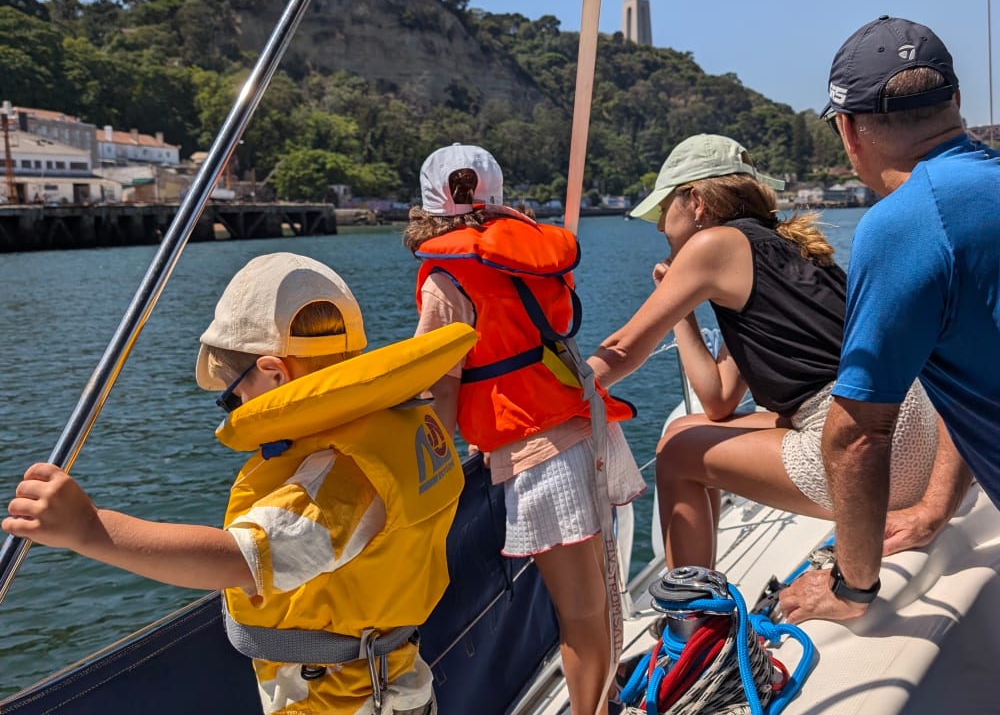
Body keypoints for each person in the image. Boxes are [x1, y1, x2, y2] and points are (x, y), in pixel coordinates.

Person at [2, 252, 477, 715]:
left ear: (273, 374)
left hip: (340, 701)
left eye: (234, 397)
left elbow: (239, 560)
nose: (240, 409)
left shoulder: (343, 479)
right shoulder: (397, 424)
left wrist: (90, 528)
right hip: (389, 683)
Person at [587, 133, 947, 571]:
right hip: (905, 433)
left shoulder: (713, 244)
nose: (661, 227)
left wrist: (552, 393)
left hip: (866, 451)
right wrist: (678, 310)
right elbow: (718, 400)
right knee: (686, 426)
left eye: (664, 211)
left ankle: (694, 621)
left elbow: (623, 349)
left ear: (696, 201)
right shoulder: (786, 249)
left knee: (677, 453)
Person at [403, 144, 646, 715]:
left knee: (581, 613)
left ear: (429, 208)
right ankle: (606, 699)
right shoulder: (532, 255)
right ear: (499, 198)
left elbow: (438, 384)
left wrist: (427, 469)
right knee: (600, 594)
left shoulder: (446, 276)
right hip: (584, 426)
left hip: (540, 453)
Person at [779, 15, 999, 624]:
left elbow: (857, 435)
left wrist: (852, 589)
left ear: (848, 130)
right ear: (955, 101)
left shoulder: (904, 223)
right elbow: (971, 373)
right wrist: (936, 505)